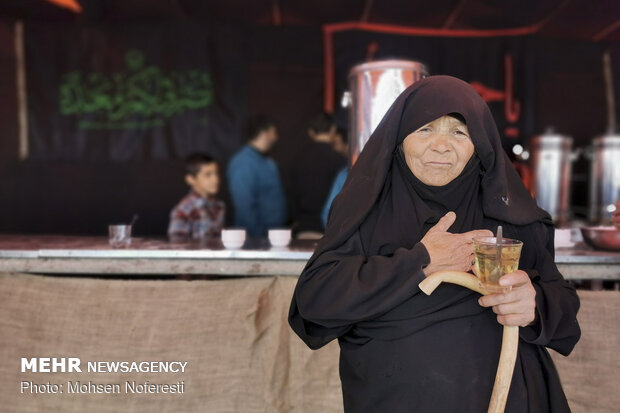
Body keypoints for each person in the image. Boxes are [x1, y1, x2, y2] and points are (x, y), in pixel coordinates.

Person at [289, 76, 580, 412]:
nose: (441, 145)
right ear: (399, 140)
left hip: (508, 400)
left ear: (480, 143)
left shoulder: (509, 212)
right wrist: (423, 261)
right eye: (425, 129)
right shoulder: (367, 210)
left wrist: (534, 306)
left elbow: (564, 309)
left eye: (459, 132)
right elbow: (314, 303)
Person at [227, 116, 287, 241]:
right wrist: (258, 235)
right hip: (256, 239)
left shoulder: (266, 160)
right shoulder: (244, 162)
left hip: (274, 235)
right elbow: (244, 205)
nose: (276, 138)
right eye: (274, 132)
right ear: (265, 133)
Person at [289, 113, 346, 237]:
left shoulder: (298, 159)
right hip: (331, 231)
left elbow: (291, 194)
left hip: (303, 228)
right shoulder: (340, 161)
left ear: (310, 132)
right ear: (333, 130)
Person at [168, 153, 225, 241]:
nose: (215, 179)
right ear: (191, 180)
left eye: (216, 173)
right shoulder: (184, 209)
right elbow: (176, 244)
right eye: (208, 175)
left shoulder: (219, 205)